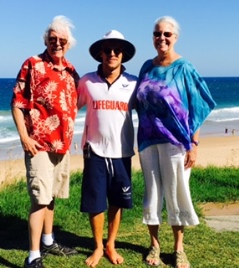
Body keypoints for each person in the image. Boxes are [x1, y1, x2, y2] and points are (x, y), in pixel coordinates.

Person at [135, 16, 216, 268]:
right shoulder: (146, 67)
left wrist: (194, 143)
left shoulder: (184, 67)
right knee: (152, 194)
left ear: (175, 37)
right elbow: (136, 99)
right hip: (148, 140)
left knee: (175, 194)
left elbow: (198, 105)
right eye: (157, 33)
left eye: (167, 34)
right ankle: (155, 245)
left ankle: (179, 248)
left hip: (176, 142)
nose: (162, 38)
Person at [11, 15, 80, 268]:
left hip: (61, 145)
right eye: (53, 39)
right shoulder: (33, 64)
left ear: (68, 43)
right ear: (46, 41)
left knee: (51, 196)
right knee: (39, 198)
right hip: (38, 144)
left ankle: (49, 241)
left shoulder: (72, 71)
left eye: (62, 40)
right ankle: (33, 256)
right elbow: (17, 104)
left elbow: (75, 105)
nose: (57, 44)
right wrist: (24, 138)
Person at [77, 30, 137, 267]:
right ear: (100, 53)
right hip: (95, 151)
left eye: (117, 50)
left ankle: (111, 243)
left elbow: (151, 112)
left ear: (123, 55)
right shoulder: (87, 81)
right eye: (108, 50)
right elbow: (69, 108)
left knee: (117, 201)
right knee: (95, 202)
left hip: (122, 152)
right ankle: (98, 246)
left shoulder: (132, 83)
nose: (112, 54)